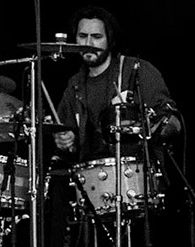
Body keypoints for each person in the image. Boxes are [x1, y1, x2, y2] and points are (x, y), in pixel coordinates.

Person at [51, 8, 179, 163]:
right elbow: (68, 135)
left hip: (135, 170)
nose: (88, 43)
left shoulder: (136, 70)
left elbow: (172, 122)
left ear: (110, 40)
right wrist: (66, 141)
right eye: (82, 36)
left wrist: (147, 130)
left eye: (97, 37)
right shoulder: (74, 84)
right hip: (90, 177)